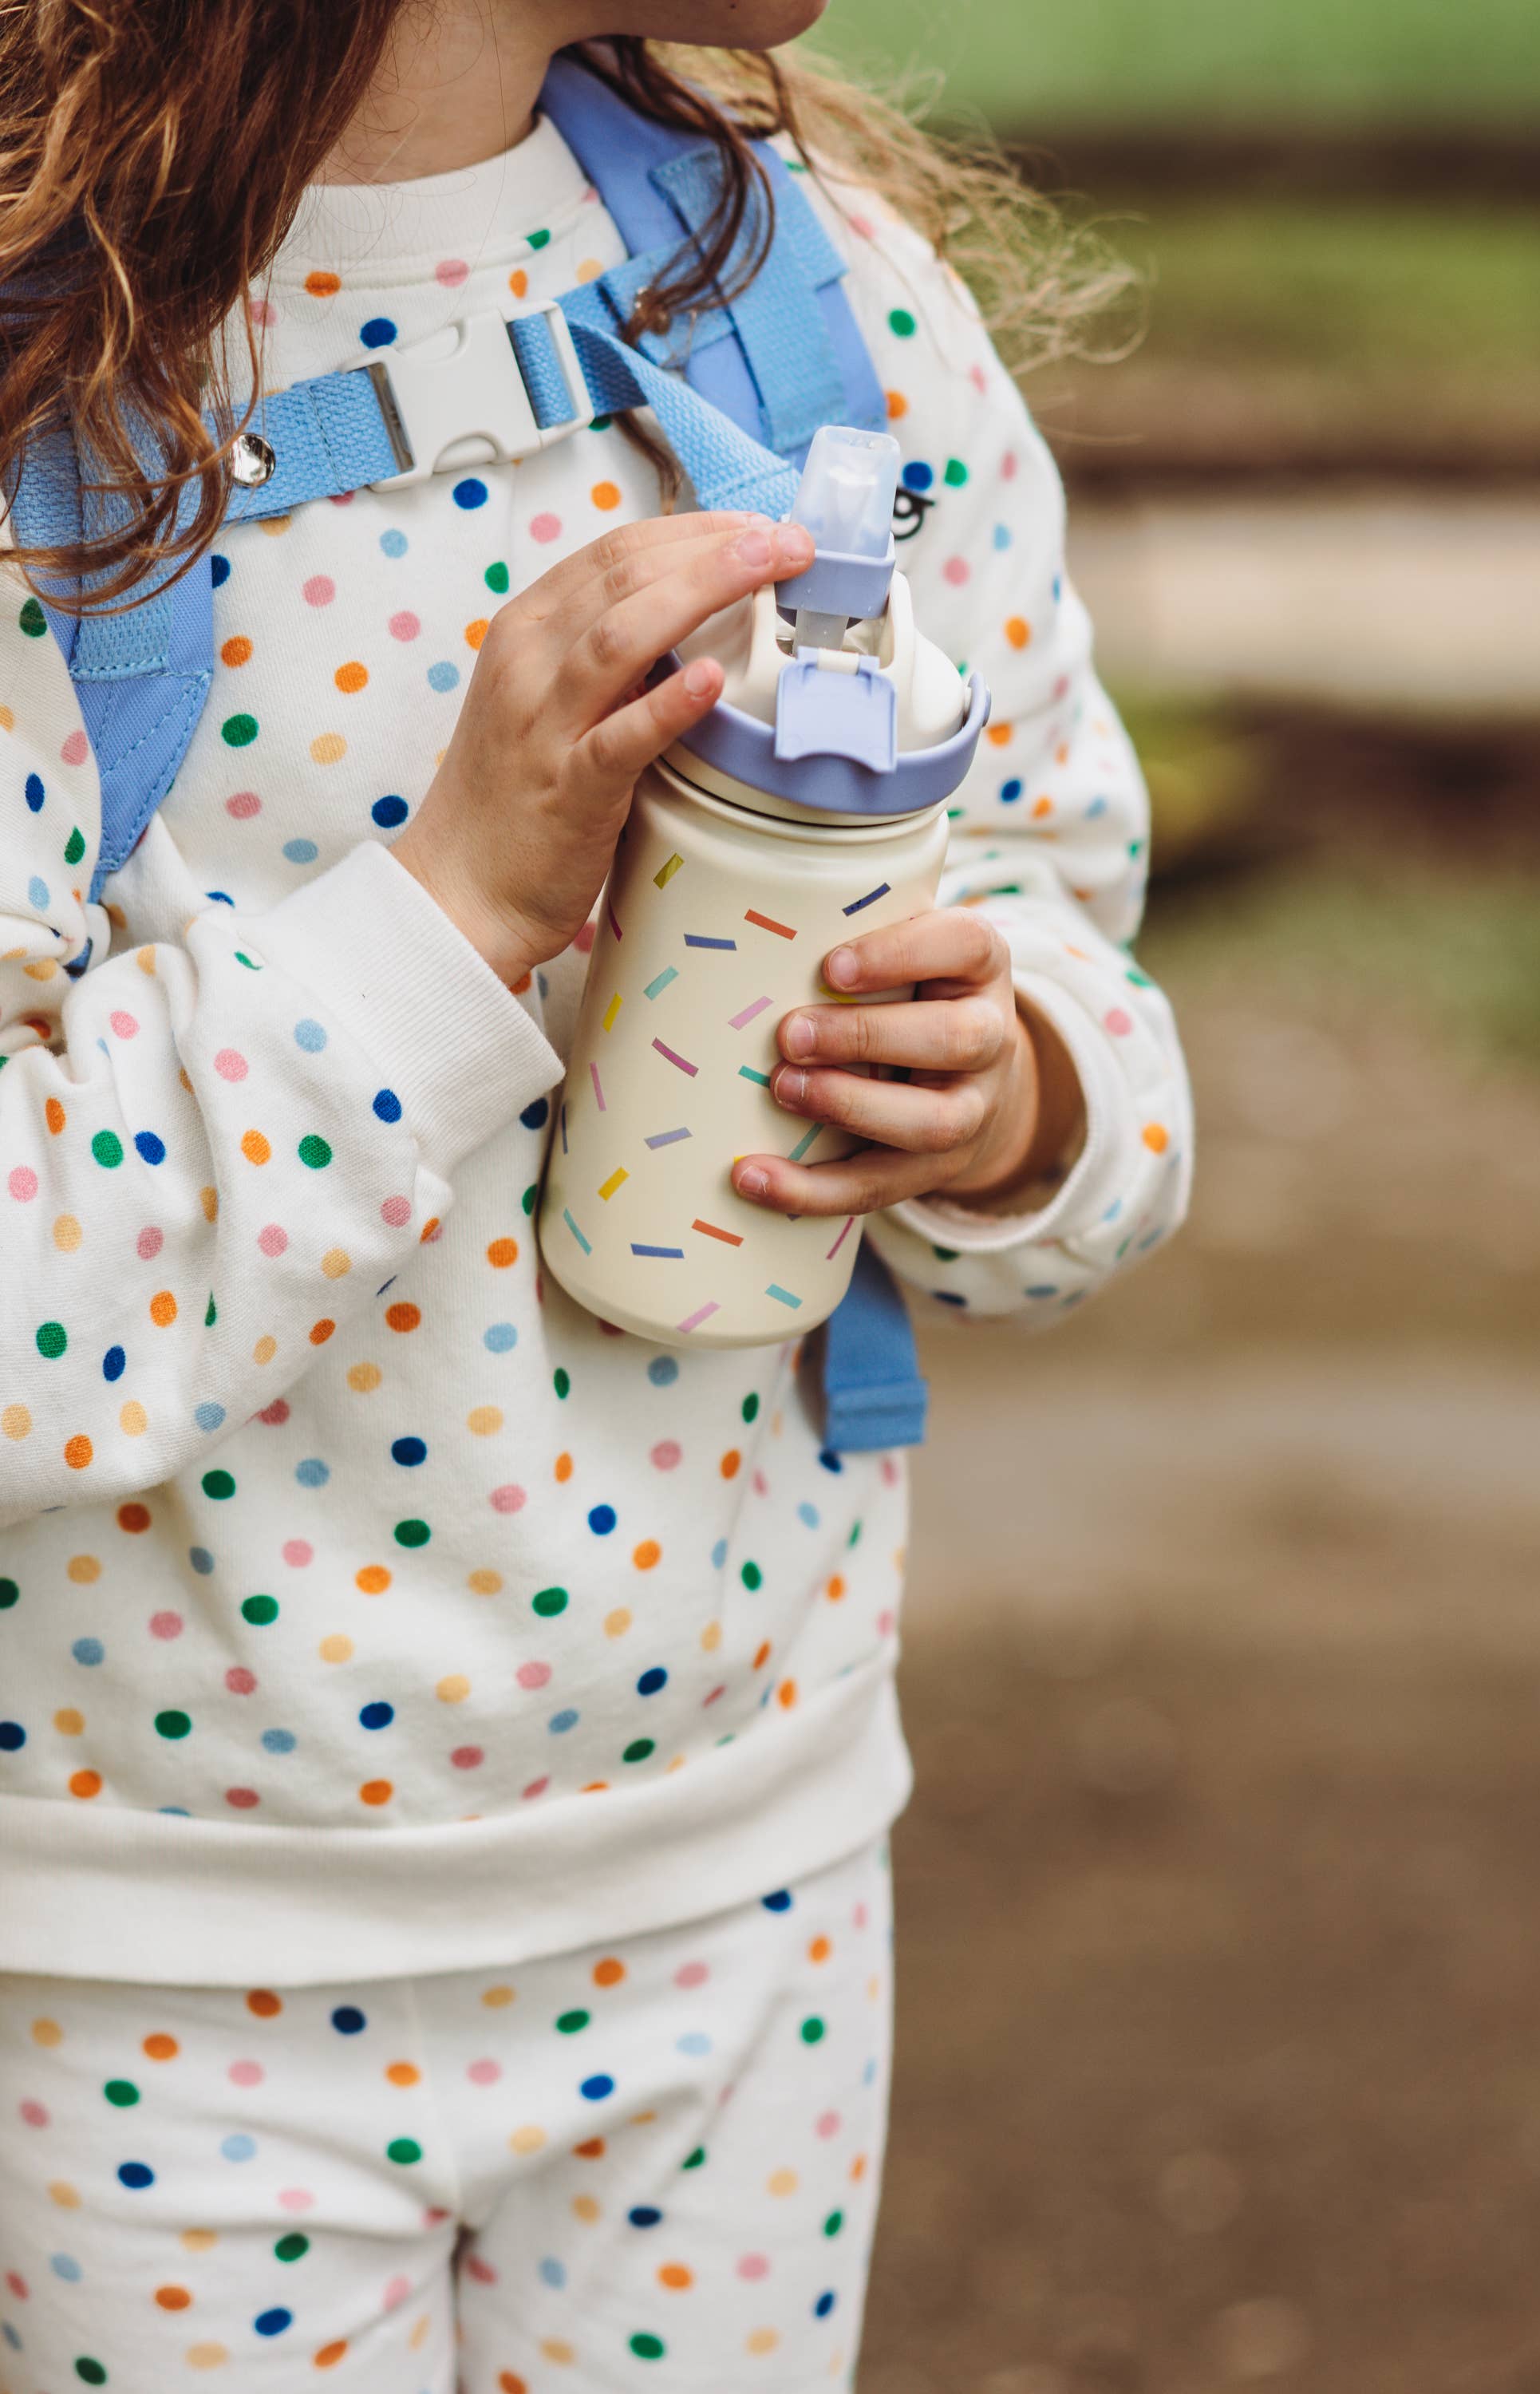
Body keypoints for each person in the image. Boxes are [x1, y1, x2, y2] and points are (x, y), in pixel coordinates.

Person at [0, 2, 1191, 2383]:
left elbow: (1055, 896)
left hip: (742, 1883)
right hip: (141, 1964)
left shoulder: (805, 302)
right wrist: (446, 910)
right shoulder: (60, 397)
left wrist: (1014, 1092)